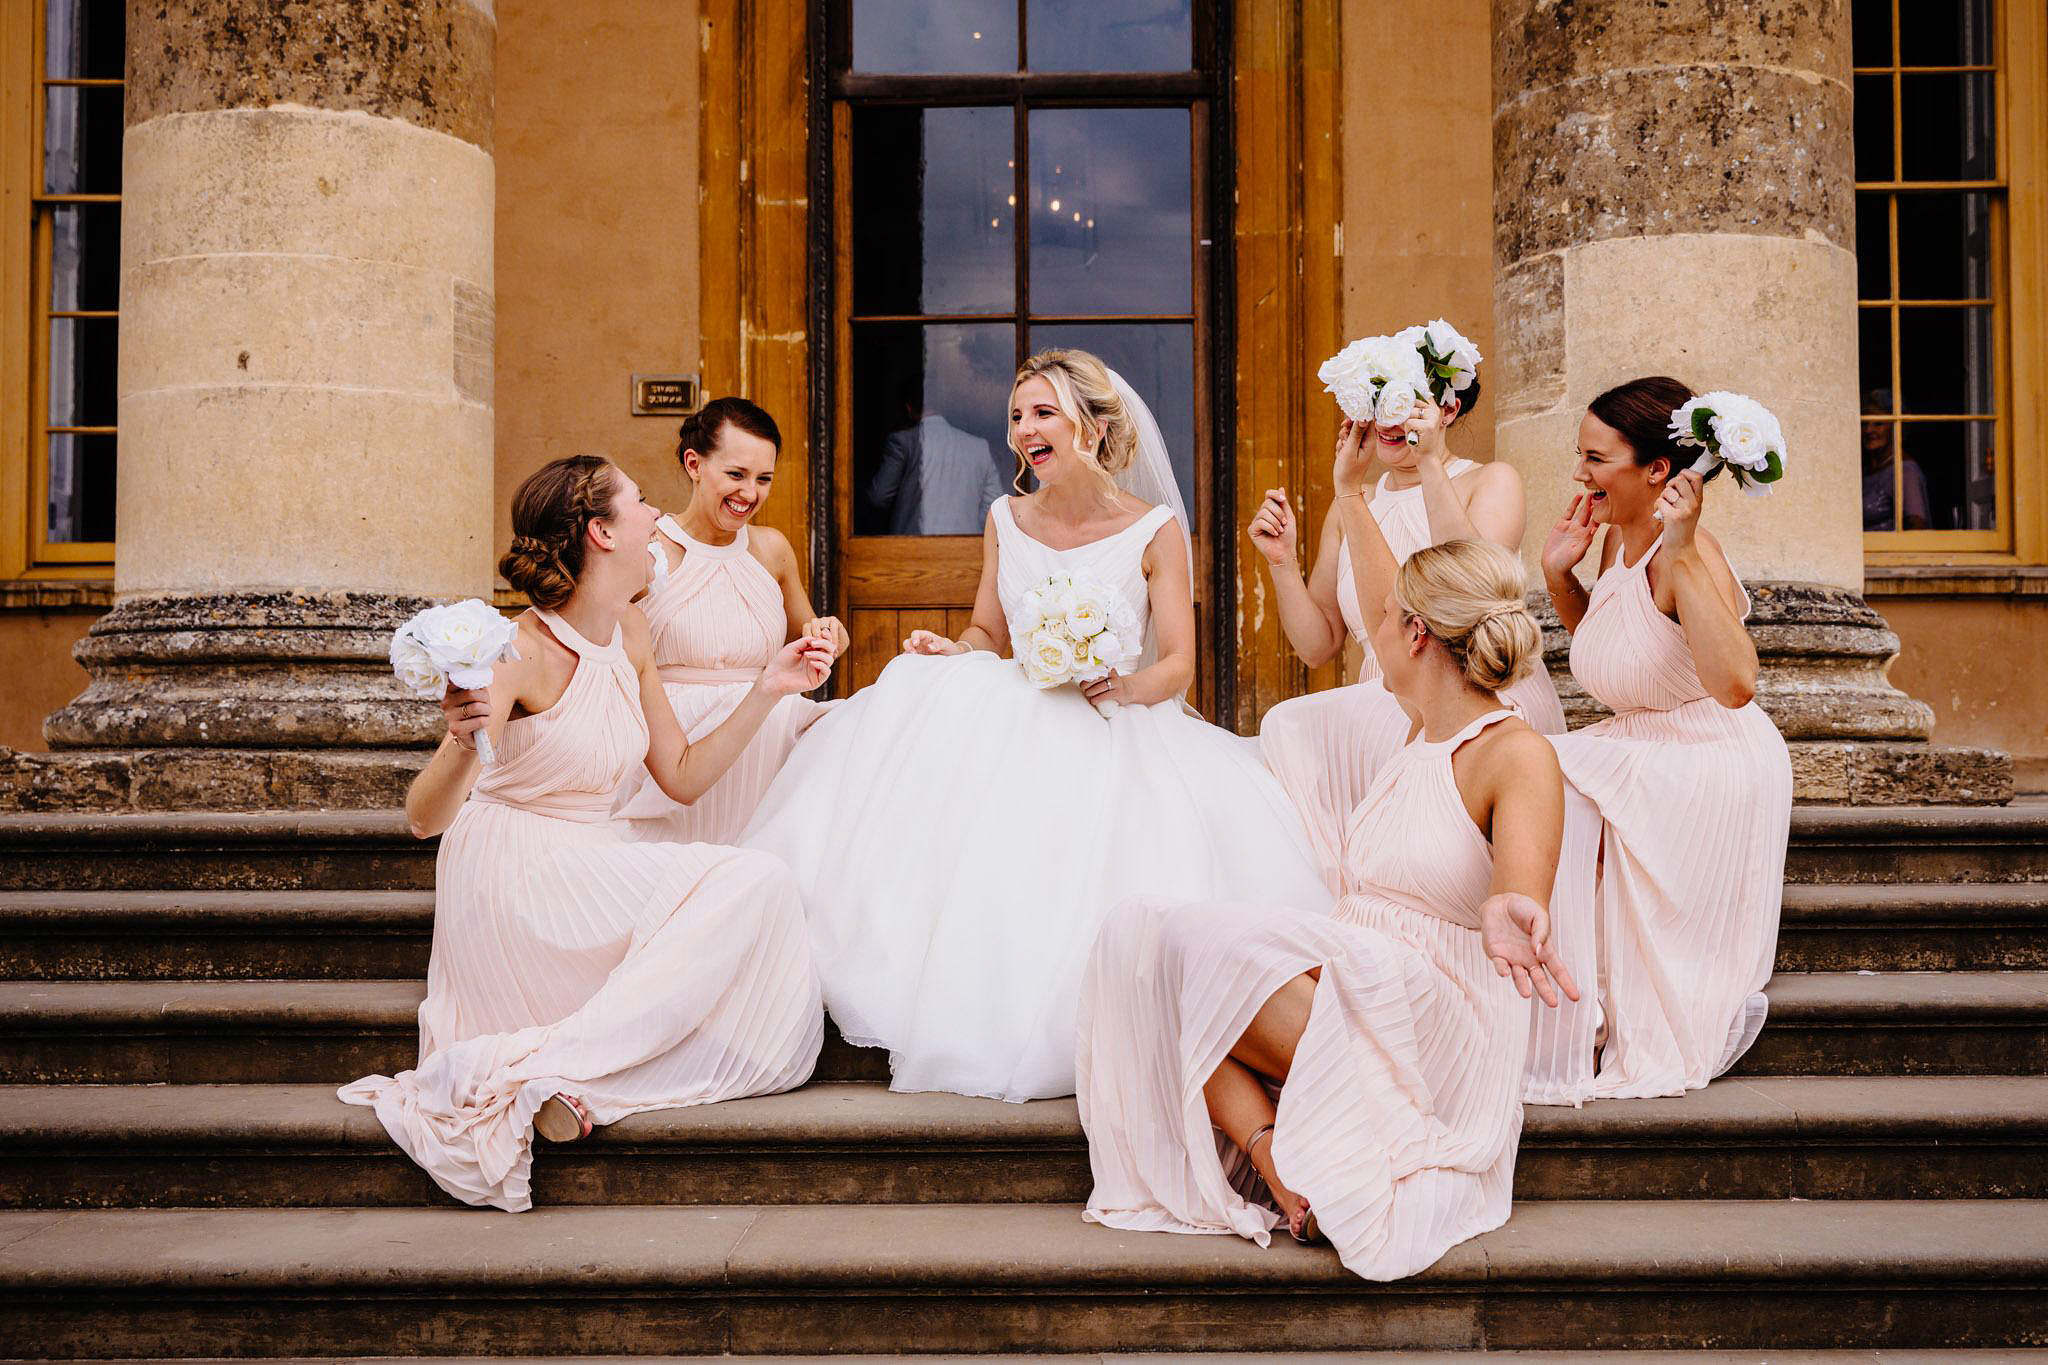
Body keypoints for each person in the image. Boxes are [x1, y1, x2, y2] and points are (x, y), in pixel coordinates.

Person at [743, 349, 1332, 1103]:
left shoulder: (1153, 529)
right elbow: (989, 631)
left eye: (1043, 413)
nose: (1024, 430)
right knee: (909, 709)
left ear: (1092, 423)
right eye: (1017, 416)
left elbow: (1179, 663)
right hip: (1018, 706)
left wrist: (1123, 685)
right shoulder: (1004, 517)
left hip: (1119, 718)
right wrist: (950, 648)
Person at [1078, 458, 1576, 1281]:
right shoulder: (1404, 733)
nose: (1374, 629)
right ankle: (1277, 1160)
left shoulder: (1515, 752)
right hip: (1362, 985)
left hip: (1438, 1020)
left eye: (1386, 618)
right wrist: (1347, 490)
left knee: (1202, 954)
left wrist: (1508, 907)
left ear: (1416, 635)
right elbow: (1384, 595)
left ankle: (1330, 1135)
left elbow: (1522, 888)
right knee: (1148, 940)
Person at [339, 456, 834, 1211]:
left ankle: (576, 1079)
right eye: (641, 503)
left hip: (595, 854)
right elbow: (422, 817)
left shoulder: (632, 630)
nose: (654, 515)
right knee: (754, 883)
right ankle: (554, 1070)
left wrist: (770, 687)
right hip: (515, 873)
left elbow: (685, 774)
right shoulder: (518, 651)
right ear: (602, 532)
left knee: (757, 891)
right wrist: (462, 740)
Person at [1526, 376, 1793, 1105]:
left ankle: (1565, 1009)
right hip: (1644, 739)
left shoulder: (1687, 552)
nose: (1580, 473)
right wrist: (1560, 577)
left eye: (1595, 457)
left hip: (1708, 754)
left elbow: (1736, 683)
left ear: (1657, 472)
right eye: (1580, 454)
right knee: (1527, 762)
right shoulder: (1611, 540)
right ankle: (1546, 994)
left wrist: (1678, 547)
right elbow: (1625, 650)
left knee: (1536, 765)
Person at [1250, 341, 1564, 893]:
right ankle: (1349, 900)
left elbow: (1472, 586)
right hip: (1386, 689)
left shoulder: (1490, 480)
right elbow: (1318, 644)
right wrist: (1282, 565)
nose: (1390, 420)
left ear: (1448, 411)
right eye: (1378, 403)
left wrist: (1429, 465)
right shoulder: (1351, 504)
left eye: (1408, 402)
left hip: (1467, 682)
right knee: (1289, 728)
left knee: (1303, 727)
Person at [613, 398, 846, 845]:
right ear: (694, 463)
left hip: (765, 745)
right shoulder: (647, 550)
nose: (750, 494)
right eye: (736, 475)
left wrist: (828, 634)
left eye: (764, 479)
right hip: (673, 752)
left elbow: (816, 633)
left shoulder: (771, 549)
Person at [867, 378, 1008, 534]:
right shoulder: (979, 447)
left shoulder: (902, 442)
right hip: (966, 548)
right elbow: (993, 506)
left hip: (913, 549)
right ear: (940, 405)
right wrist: (965, 525)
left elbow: (879, 497)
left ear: (908, 408)